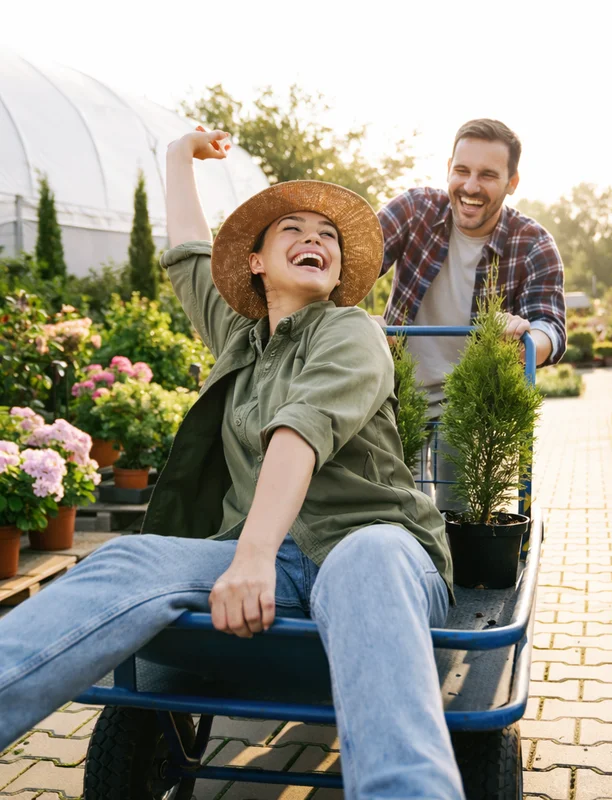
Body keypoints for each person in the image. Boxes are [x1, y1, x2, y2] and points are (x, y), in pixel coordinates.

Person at [0, 128, 464, 799]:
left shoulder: (353, 331)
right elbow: (188, 255)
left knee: (367, 561)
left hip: (371, 546)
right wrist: (176, 158)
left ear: (338, 269)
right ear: (254, 264)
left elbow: (300, 430)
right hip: (260, 555)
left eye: (328, 235)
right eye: (294, 230)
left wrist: (250, 558)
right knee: (122, 561)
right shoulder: (241, 338)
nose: (318, 238)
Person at [376, 118, 566, 505]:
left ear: (512, 183)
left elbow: (551, 325)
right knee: (396, 511)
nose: (471, 186)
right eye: (462, 171)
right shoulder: (415, 210)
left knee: (460, 518)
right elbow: (349, 265)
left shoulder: (533, 243)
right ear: (449, 168)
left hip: (470, 406)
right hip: (396, 396)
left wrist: (527, 338)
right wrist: (357, 319)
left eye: (488, 175)